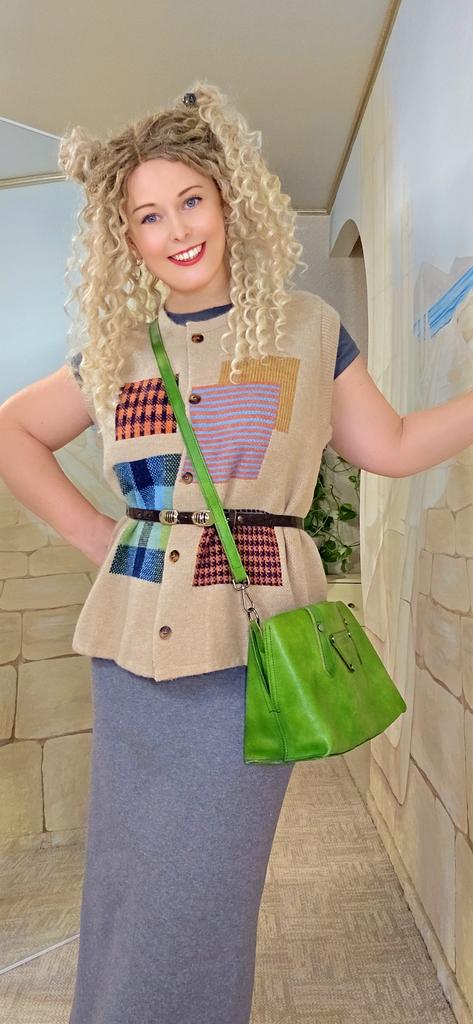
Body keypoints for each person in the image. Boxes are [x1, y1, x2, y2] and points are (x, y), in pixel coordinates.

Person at [0, 82, 472, 1024]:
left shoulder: (305, 327)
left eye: (190, 201)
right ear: (125, 237)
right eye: (148, 215)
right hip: (131, 658)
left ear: (228, 202)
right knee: (128, 878)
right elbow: (13, 430)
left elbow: (389, 445)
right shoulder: (117, 348)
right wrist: (101, 538)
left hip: (248, 656)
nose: (176, 229)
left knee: (206, 894)